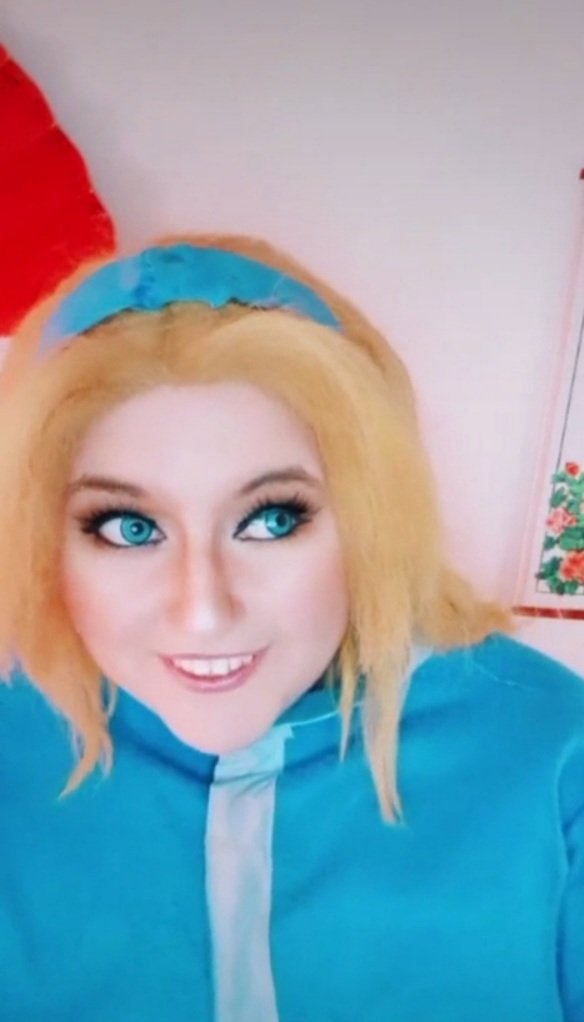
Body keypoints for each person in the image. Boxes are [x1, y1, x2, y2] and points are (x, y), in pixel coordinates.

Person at [0, 235, 582, 1022]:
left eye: (273, 519)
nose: (203, 611)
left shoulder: (554, 756)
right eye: (128, 528)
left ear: (371, 517)